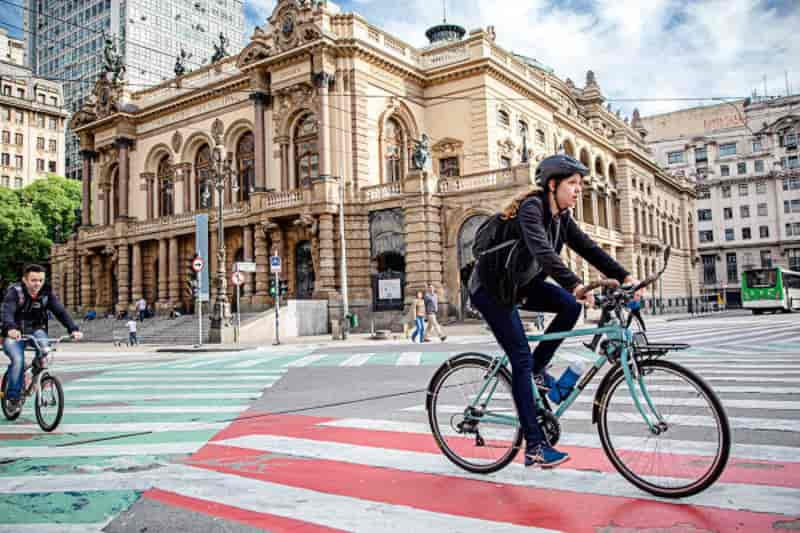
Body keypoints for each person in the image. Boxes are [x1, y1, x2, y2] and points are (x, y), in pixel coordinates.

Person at [469, 154, 640, 468]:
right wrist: (574, 282)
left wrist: (626, 276)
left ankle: (538, 369)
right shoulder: (531, 208)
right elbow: (541, 251)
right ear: (552, 184)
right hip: (492, 289)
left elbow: (589, 248)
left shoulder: (562, 217)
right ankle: (534, 446)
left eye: (580, 185)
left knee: (569, 306)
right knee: (519, 357)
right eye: (573, 184)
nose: (579, 190)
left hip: (519, 285)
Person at [2, 264, 83, 414]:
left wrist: (73, 329)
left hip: (36, 331)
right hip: (14, 333)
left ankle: (35, 371)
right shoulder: (15, 292)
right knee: (18, 361)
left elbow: (60, 312)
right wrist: (11, 328)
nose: (37, 284)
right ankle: (13, 398)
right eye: (33, 280)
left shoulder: (47, 293)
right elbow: (7, 312)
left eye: (40, 280)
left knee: (45, 351)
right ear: (25, 280)